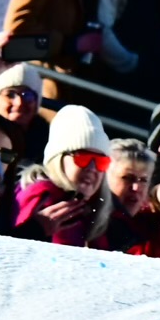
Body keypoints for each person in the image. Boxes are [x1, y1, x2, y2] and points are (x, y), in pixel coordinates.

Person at [13, 105, 114, 247]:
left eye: (100, 161)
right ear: (58, 159)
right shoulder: (42, 199)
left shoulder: (89, 208)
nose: (92, 169)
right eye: (82, 158)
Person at [103, 139, 157, 252]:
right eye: (127, 178)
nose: (136, 188)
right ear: (105, 178)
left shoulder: (151, 229)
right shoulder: (94, 224)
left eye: (143, 180)